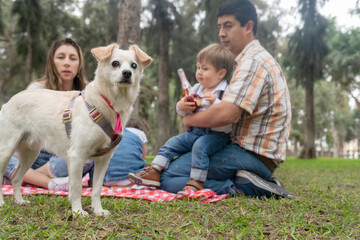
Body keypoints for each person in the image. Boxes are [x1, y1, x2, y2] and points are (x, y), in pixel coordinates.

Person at [130, 0, 294, 199]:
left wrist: (189, 120)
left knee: (167, 176)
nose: (221, 33)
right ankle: (244, 181)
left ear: (248, 27)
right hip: (250, 153)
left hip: (251, 155)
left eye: (228, 26)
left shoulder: (252, 61)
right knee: (176, 164)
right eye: (220, 27)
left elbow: (227, 113)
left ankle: (245, 187)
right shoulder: (250, 59)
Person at [128, 43, 234, 195]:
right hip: (194, 132)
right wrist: (182, 105)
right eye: (198, 68)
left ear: (221, 73)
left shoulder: (226, 91)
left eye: (205, 69)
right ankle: (155, 170)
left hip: (215, 135)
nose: (199, 73)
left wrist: (215, 103)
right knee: (172, 143)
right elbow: (182, 111)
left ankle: (197, 181)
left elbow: (227, 114)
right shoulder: (197, 88)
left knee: (200, 147)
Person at [2, 37, 88, 190]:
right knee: (4, 152)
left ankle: (29, 177)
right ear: (52, 62)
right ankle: (48, 182)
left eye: (73, 58)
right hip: (36, 154)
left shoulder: (88, 95)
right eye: (61, 57)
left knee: (94, 150)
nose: (67, 62)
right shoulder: (35, 90)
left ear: (79, 64)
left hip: (63, 158)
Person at [99, 116, 150, 188]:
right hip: (130, 180)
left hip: (104, 179)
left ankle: (105, 186)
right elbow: (143, 159)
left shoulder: (113, 133)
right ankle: (126, 186)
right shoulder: (140, 133)